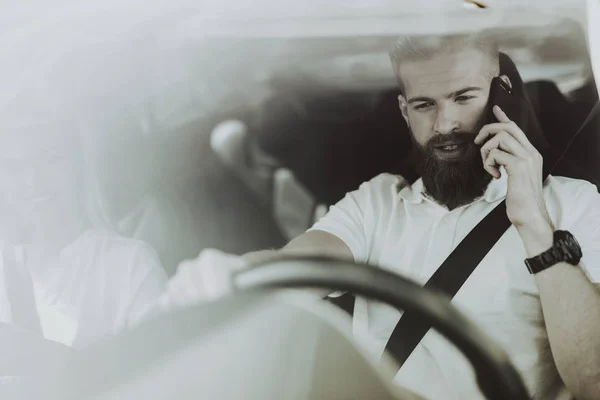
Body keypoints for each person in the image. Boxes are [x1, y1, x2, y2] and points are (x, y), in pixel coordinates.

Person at [157, 33, 600, 399]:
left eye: (463, 97)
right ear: (406, 112)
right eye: (425, 105)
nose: (445, 123)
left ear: (501, 94)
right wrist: (228, 275)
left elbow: (593, 383)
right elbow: (301, 264)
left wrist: (534, 224)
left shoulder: (574, 205)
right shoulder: (379, 202)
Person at [0, 117, 168, 349]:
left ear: (78, 166)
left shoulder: (130, 265)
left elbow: (165, 365)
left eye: (50, 158)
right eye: (14, 167)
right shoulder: (6, 271)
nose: (32, 180)